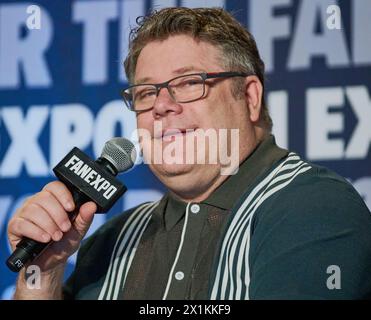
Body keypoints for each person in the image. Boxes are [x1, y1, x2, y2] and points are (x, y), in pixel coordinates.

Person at [8, 7, 371, 300]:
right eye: (146, 92)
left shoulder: (314, 205)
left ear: (249, 97)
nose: (162, 106)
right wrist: (45, 273)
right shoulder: (110, 240)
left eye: (188, 83)